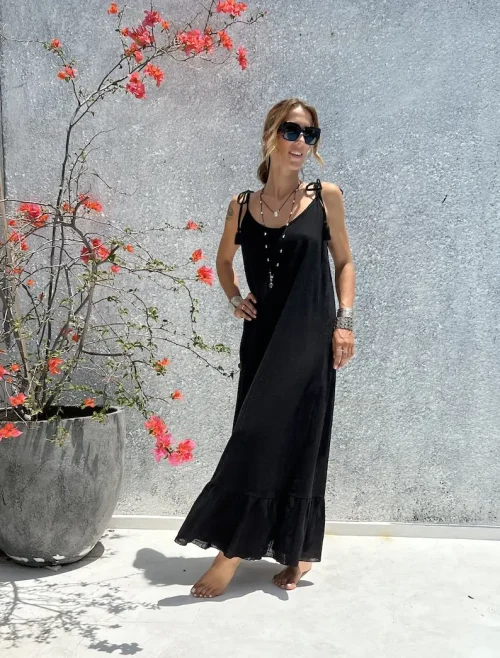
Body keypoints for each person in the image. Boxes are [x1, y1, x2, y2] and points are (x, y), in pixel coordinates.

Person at [175, 97, 355, 598]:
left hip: (309, 336)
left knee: (297, 436)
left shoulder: (325, 197)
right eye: (292, 131)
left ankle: (238, 553)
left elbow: (344, 262)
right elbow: (223, 261)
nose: (301, 142)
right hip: (261, 339)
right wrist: (235, 298)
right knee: (256, 432)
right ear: (272, 134)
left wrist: (344, 323)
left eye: (310, 134)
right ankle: (294, 550)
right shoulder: (240, 205)